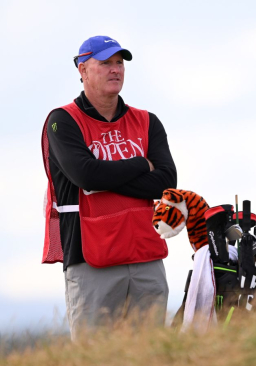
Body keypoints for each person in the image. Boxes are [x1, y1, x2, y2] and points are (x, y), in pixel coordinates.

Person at [41, 35, 177, 339]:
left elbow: (167, 181)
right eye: (105, 63)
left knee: (151, 353)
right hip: (90, 257)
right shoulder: (62, 121)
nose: (115, 69)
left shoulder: (146, 121)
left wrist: (106, 177)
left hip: (146, 254)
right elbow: (87, 176)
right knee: (97, 355)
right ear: (83, 69)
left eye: (119, 63)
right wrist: (142, 164)